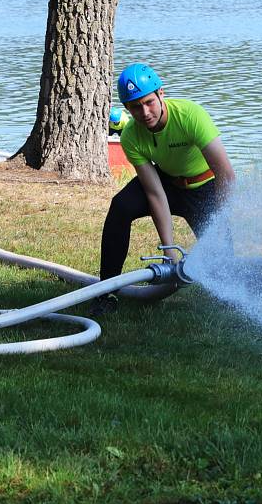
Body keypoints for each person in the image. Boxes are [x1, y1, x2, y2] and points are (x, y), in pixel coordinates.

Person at [90, 63, 236, 315]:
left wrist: (218, 222)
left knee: (227, 270)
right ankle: (106, 292)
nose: (144, 112)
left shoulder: (190, 116)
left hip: (204, 188)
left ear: (161, 94)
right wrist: (169, 250)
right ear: (127, 109)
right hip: (167, 183)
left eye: (148, 102)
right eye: (135, 107)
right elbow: (155, 193)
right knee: (121, 206)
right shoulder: (130, 137)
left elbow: (226, 174)